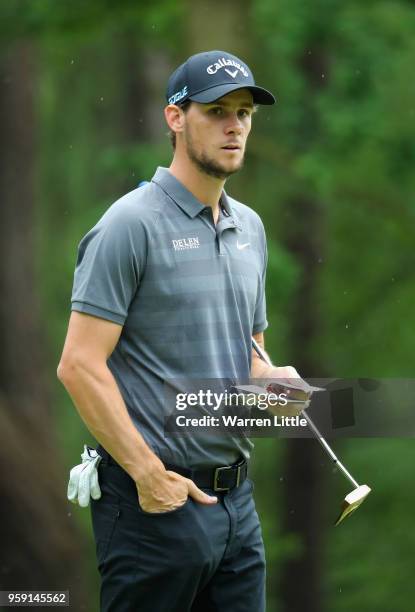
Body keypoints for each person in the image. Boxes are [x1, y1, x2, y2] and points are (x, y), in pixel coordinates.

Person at [58, 50, 310, 612]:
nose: (234, 126)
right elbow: (78, 365)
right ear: (175, 118)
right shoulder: (129, 225)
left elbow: (246, 359)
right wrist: (149, 476)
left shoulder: (251, 228)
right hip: (154, 507)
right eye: (217, 110)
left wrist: (273, 387)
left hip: (237, 511)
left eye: (244, 113)